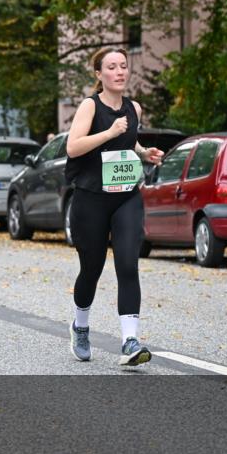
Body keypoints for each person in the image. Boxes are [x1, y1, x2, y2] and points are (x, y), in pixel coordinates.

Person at [65, 47, 164, 366]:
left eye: (124, 66)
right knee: (91, 270)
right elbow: (73, 146)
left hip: (126, 196)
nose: (120, 71)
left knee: (127, 264)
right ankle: (80, 326)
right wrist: (109, 131)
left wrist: (144, 152)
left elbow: (127, 143)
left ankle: (130, 341)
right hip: (91, 198)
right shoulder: (89, 106)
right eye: (112, 67)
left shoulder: (134, 107)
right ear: (99, 74)